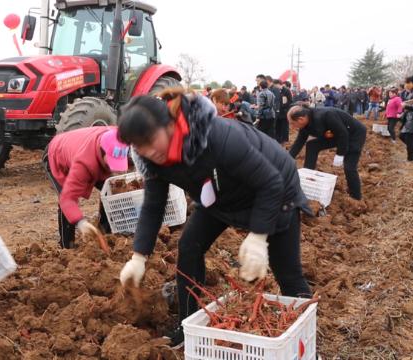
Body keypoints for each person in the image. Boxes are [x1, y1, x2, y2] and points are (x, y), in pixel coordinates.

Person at [117, 89, 312, 347]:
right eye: (140, 146)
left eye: (151, 140)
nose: (149, 151)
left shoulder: (219, 138)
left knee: (287, 272)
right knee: (189, 247)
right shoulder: (153, 160)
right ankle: (188, 329)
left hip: (275, 190)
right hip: (220, 197)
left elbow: (271, 183)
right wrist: (138, 256)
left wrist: (257, 236)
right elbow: (153, 206)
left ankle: (304, 341)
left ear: (170, 126)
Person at [43, 127, 128, 249]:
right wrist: (80, 222)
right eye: (111, 162)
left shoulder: (119, 136)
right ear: (102, 151)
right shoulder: (83, 163)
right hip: (55, 155)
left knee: (110, 190)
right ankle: (67, 245)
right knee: (65, 199)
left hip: (80, 147)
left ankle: (104, 231)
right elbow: (68, 199)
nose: (113, 168)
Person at [288, 105, 366, 200]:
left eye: (292, 123)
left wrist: (340, 154)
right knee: (312, 145)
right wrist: (286, 159)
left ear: (300, 119)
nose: (292, 127)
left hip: (354, 134)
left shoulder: (326, 115)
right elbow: (298, 143)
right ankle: (308, 175)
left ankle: (356, 196)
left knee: (349, 166)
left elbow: (343, 134)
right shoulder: (306, 124)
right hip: (336, 134)